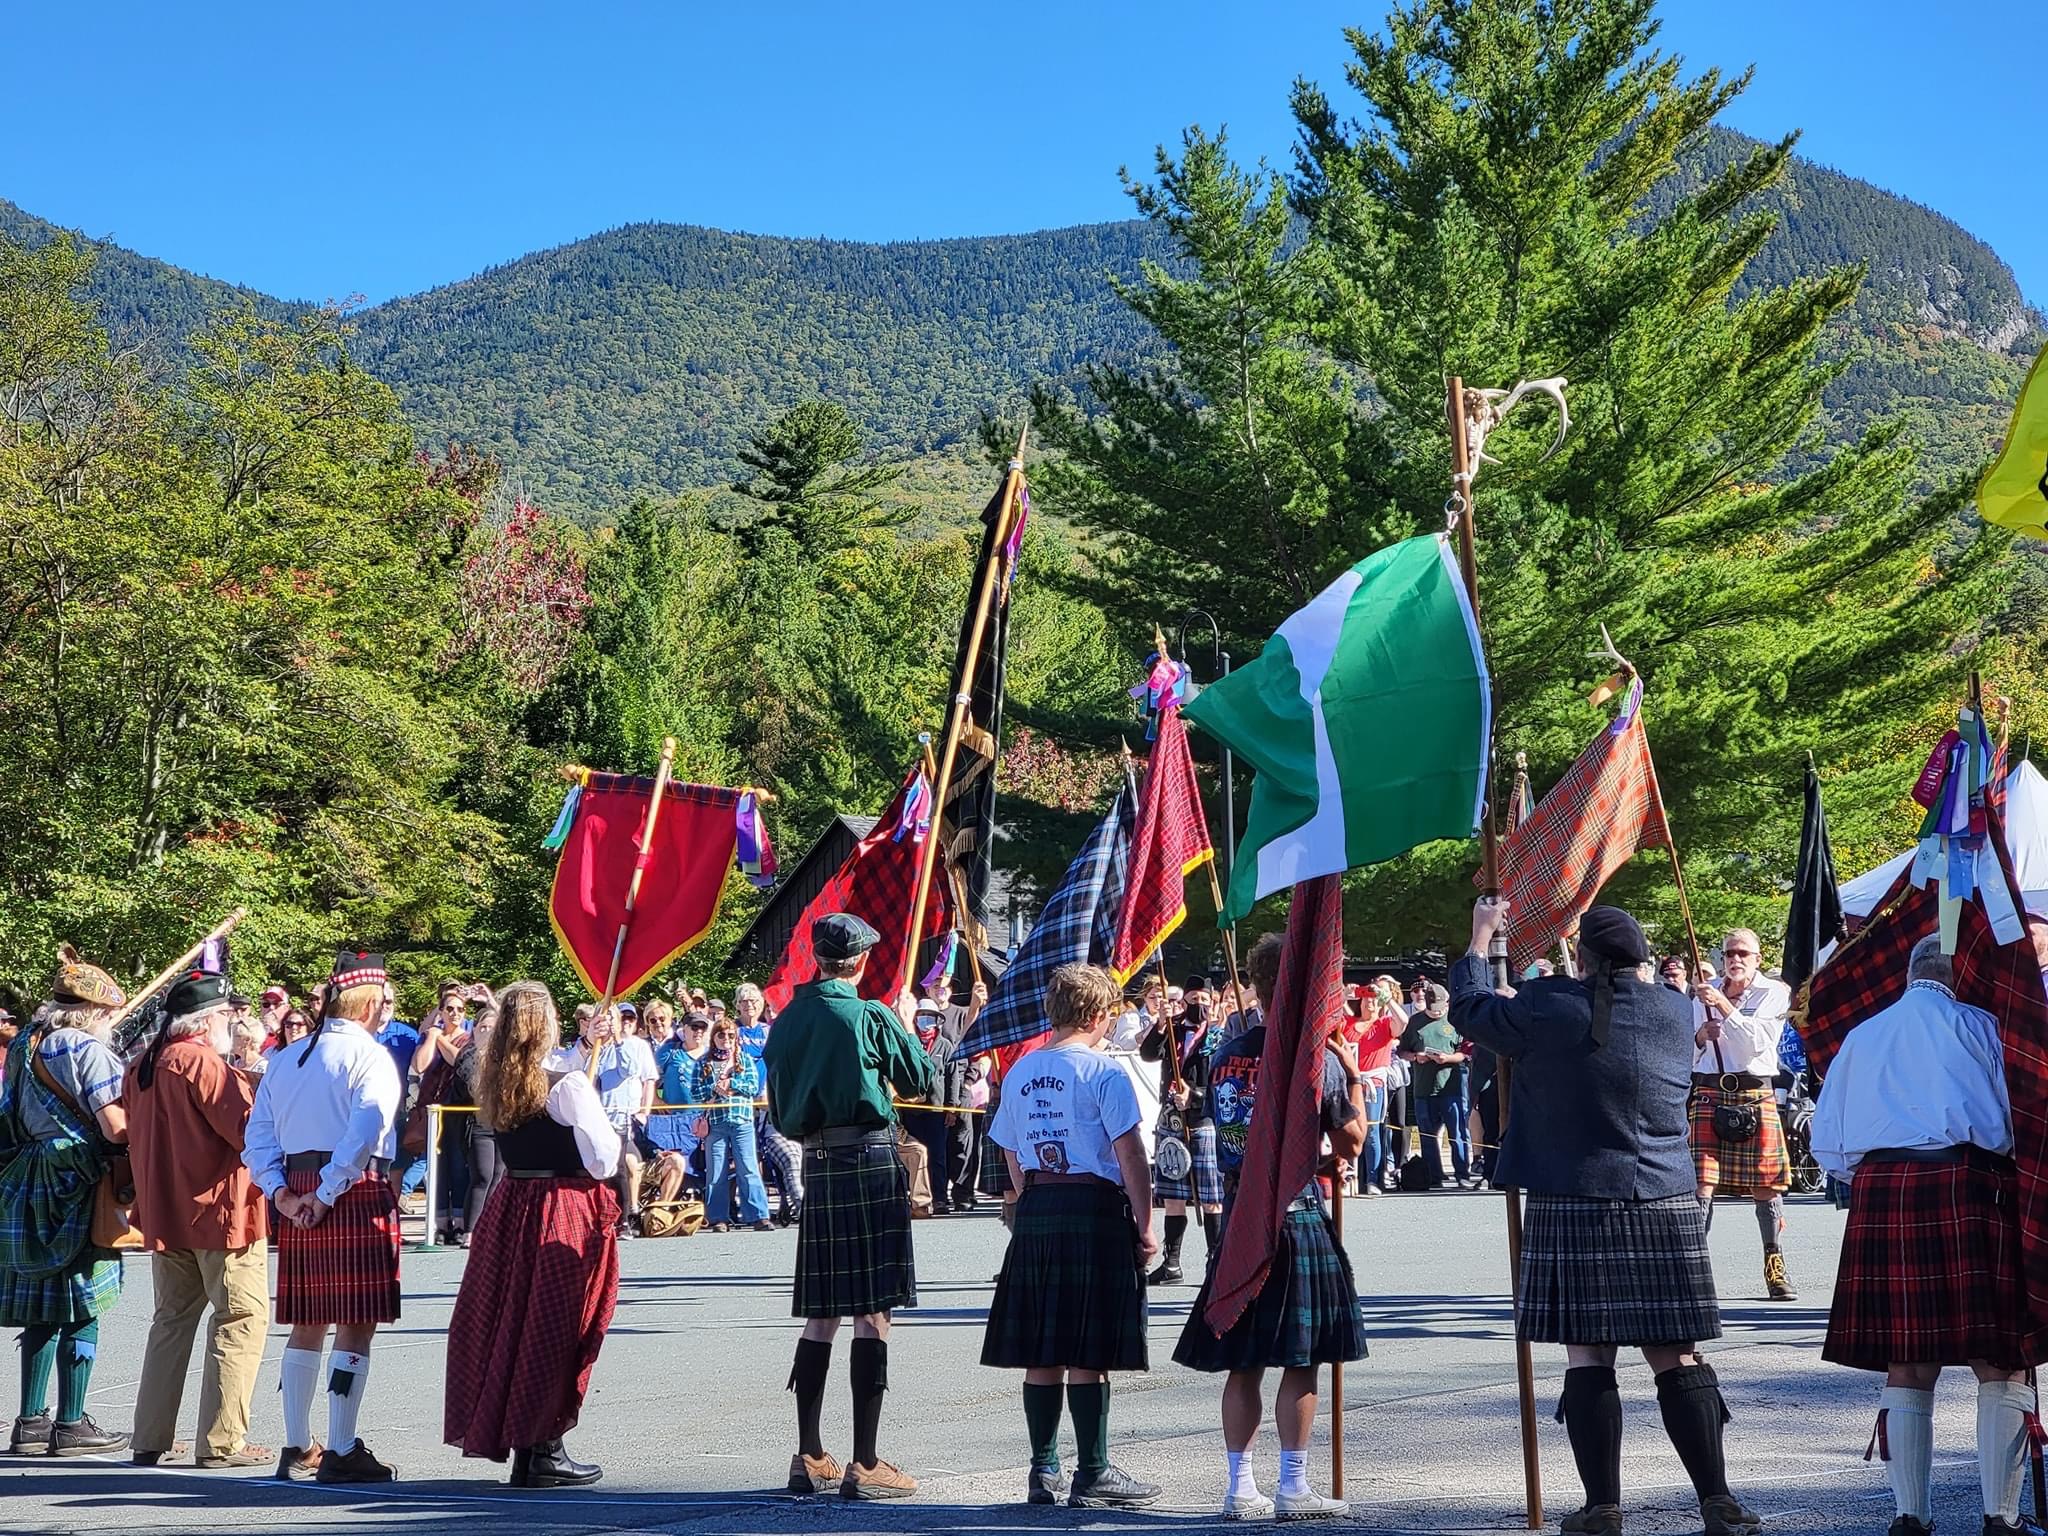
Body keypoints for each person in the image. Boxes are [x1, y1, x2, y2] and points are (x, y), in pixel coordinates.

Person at [1453, 898, 1759, 1536]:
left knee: (1588, 1353)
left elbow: (1470, 1013)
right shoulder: (1678, 1011)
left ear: (1585, 957)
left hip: (1574, 1195)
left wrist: (1481, 939)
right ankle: (1717, 1502)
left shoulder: (1547, 1004)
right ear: (1644, 959)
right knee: (1677, 1354)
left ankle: (1603, 1509)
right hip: (1663, 1194)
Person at [1811, 935, 2044, 1536]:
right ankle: (2002, 1518)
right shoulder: (1985, 1028)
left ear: (1908, 973)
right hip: (1971, 1186)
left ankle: (1909, 1518)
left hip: (1881, 1189)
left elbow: (1830, 1147)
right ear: (1965, 972)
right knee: (2001, 1362)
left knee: (1908, 1363)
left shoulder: (1862, 1036)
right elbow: (2024, 1125)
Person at [1173, 931, 1364, 1521]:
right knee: (1300, 1358)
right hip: (1295, 1211)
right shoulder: (1316, 1057)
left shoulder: (1222, 1053)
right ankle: (1293, 1485)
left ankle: (1237, 1488)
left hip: (1237, 1212)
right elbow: (1351, 1137)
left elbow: (1236, 1132)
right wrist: (1352, 1072)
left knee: (1244, 1360)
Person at [762, 913, 936, 1501]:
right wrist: (907, 1026)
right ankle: (866, 1462)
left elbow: (781, 1111)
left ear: (818, 958)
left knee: (823, 1314)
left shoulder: (785, 1021)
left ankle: (809, 1455)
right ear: (860, 962)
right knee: (873, 1313)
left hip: (818, 1163)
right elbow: (920, 1080)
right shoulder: (869, 1015)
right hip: (869, 1159)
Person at [982, 963, 1159, 1508]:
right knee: (1087, 1347)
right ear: (1099, 1015)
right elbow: (1130, 1154)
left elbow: (1010, 1151)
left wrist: (1030, 1199)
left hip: (1038, 1204)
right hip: (1093, 1206)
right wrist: (1147, 1226)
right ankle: (1095, 1470)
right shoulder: (1104, 1073)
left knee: (1043, 1346)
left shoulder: (1019, 1071)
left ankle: (1043, 1470)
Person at [444, 982, 621, 1487]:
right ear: (547, 1025)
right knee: (558, 1327)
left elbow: (556, 1077)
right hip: (562, 1207)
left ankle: (531, 1446)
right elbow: (603, 1158)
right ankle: (543, 1447)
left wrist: (588, 1047)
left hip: (512, 1205)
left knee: (515, 1324)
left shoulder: (496, 1079)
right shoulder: (567, 1085)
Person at [243, 948, 405, 1484]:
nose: (388, 1008)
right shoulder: (371, 1057)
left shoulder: (285, 1059)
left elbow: (257, 1137)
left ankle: (296, 1447)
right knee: (355, 1325)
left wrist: (284, 1194)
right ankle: (339, 1448)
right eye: (385, 999)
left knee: (307, 1323)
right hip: (352, 1189)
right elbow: (364, 1130)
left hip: (299, 1188)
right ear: (369, 1001)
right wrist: (329, 1191)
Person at [126, 969, 271, 1469]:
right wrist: (254, 1072)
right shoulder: (201, 1063)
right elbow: (250, 1130)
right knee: (240, 1318)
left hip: (168, 1212)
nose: (236, 1022)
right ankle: (221, 1440)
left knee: (171, 1321)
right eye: (230, 1015)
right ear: (208, 1020)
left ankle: (149, 1435)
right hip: (219, 1213)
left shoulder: (145, 1062)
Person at [0, 947, 132, 1456]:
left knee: (41, 1304)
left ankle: (30, 1423)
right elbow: (115, 1126)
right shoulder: (88, 1050)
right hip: (77, 1177)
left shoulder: (21, 1048)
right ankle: (72, 1423)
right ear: (94, 1014)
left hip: (25, 1175)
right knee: (83, 1301)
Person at [1690, 929, 1798, 1300]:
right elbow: (1692, 1052)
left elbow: (1757, 1042)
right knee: (1701, 1184)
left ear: (1758, 957)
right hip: (1710, 1090)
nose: (1734, 960)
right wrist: (1701, 1036)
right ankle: (1694, 1269)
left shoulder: (1774, 992)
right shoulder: (1703, 992)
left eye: (1743, 954)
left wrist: (1722, 1005)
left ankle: (1774, 1264)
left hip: (1754, 1092)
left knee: (1765, 1185)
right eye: (1729, 953)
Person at [1141, 980, 1224, 1283]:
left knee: (1211, 1195)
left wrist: (1196, 1096)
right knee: (1173, 1194)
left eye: (1203, 998)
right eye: (1192, 998)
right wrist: (1161, 1024)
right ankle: (1171, 1263)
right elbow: (1148, 1054)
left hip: (1204, 1121)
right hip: (1172, 1122)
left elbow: (1222, 1083)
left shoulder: (1220, 1037)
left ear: (1212, 1003)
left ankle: (1216, 1261)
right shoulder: (1173, 1029)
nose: (1198, 1003)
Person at [571, 1004, 658, 1240]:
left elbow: (630, 1070)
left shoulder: (627, 1047)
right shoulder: (592, 1048)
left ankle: (623, 1220)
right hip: (593, 1118)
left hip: (617, 1119)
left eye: (612, 1019)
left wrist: (617, 1036)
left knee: (617, 1169)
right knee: (591, 1170)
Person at [693, 1018, 773, 1231]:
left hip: (742, 1121)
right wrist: (715, 1087)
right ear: (714, 1038)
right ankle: (718, 1217)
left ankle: (758, 1215)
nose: (726, 1039)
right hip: (716, 1123)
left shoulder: (744, 1059)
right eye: (721, 1035)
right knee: (715, 1172)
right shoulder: (703, 1063)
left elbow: (753, 1087)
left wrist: (732, 1084)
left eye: (730, 1035)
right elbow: (695, 1092)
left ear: (735, 1038)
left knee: (748, 1168)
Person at [1400, 983, 1472, 1188]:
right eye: (1432, 1009)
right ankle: (1433, 1175)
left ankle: (1462, 1173)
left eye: (1440, 1008)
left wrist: (1448, 1058)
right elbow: (1402, 1051)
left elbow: (1466, 1052)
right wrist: (1416, 1056)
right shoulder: (1415, 1022)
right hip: (1424, 1088)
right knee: (1427, 1135)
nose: (1436, 1012)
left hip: (1452, 1087)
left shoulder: (1456, 1021)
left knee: (1457, 1133)